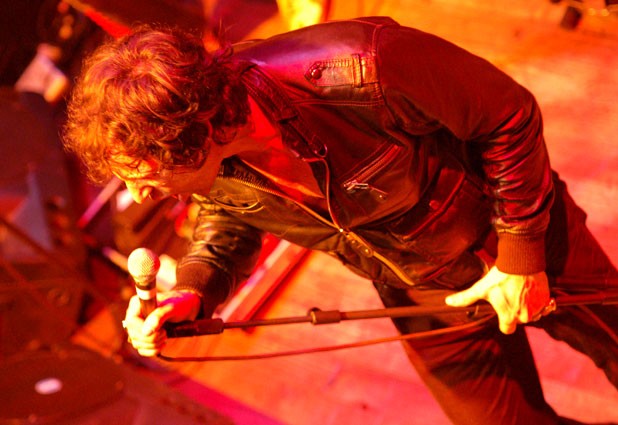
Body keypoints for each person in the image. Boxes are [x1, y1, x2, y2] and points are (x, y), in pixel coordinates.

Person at [62, 17, 618, 425]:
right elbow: (230, 219)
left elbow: (508, 115)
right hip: (414, 285)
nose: (137, 195)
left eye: (143, 173)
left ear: (198, 133)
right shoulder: (214, 159)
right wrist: (193, 292)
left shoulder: (362, 65)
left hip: (510, 229)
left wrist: (521, 255)